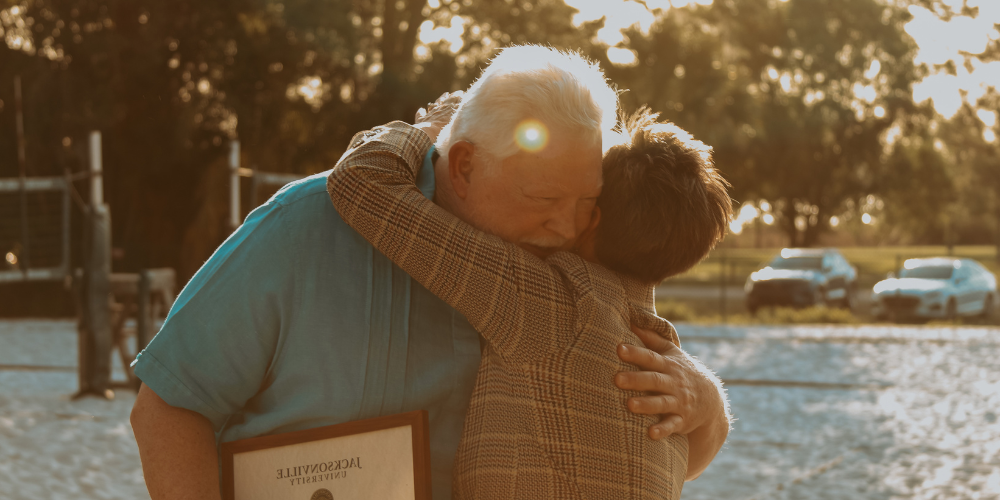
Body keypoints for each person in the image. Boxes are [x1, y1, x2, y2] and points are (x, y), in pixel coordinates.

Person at [129, 45, 730, 500]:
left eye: (585, 205)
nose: (568, 228)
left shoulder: (568, 269)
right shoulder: (307, 224)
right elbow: (168, 407)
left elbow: (655, 452)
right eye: (545, 199)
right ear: (464, 164)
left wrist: (705, 403)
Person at [327, 102, 732, 498]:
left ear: (591, 218)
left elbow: (361, 180)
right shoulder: (665, 363)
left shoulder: (550, 301)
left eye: (579, 196)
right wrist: (712, 404)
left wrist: (430, 131)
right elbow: (689, 470)